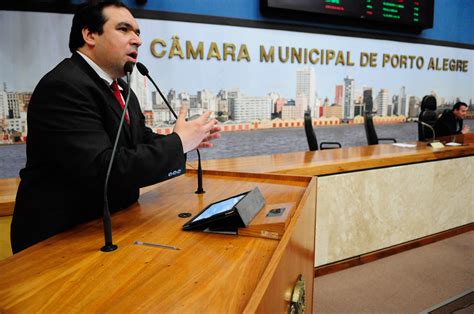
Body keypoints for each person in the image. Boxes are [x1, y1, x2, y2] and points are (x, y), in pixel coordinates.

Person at [11, 0, 221, 253]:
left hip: (111, 227)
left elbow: (138, 140)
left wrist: (186, 140)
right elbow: (104, 170)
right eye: (124, 29)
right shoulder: (64, 87)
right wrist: (179, 143)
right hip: (60, 240)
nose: (137, 40)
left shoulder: (121, 88)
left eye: (138, 32)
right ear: (89, 35)